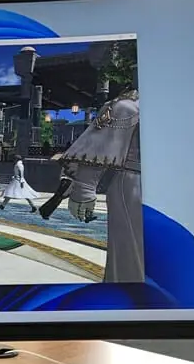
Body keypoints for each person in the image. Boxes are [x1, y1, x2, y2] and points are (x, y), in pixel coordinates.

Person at [56, 89, 143, 283]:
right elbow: (99, 145)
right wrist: (84, 188)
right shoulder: (126, 106)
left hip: (157, 184)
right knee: (131, 256)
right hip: (133, 185)